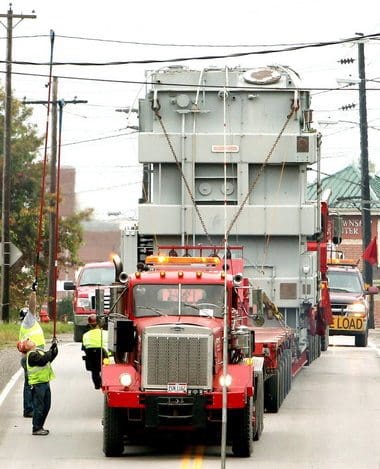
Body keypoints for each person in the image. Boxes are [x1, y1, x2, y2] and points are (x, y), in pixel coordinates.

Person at [16, 338, 58, 436]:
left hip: (44, 382)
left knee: (46, 406)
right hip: (38, 385)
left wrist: (54, 348)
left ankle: (40, 426)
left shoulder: (37, 352)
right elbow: (43, 360)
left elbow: (49, 358)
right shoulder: (31, 355)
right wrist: (50, 351)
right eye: (27, 341)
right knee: (39, 407)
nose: (28, 339)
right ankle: (36, 428)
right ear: (26, 347)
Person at [18, 291, 46, 418]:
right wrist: (34, 293)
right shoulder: (28, 321)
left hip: (30, 357)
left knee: (29, 383)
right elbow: (32, 307)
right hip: (32, 357)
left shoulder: (26, 326)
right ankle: (29, 409)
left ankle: (29, 408)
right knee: (32, 384)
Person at [82, 314, 108, 389]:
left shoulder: (85, 335)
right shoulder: (105, 333)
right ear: (99, 324)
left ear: (89, 325)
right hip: (104, 358)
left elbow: (84, 348)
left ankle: (97, 384)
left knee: (94, 371)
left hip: (92, 360)